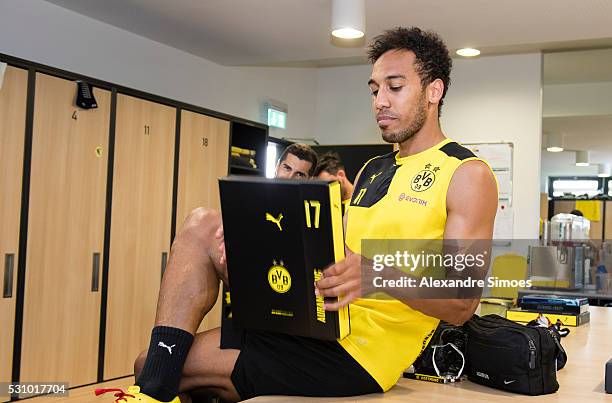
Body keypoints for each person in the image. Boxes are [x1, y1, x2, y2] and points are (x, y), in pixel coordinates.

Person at [97, 27, 497, 403]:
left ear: (434, 91)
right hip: (318, 319)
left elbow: (462, 303)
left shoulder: (466, 174)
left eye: (395, 87)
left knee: (153, 369)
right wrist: (254, 256)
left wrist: (376, 275)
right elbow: (330, 257)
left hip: (361, 352)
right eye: (374, 89)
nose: (380, 101)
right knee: (202, 224)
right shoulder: (374, 168)